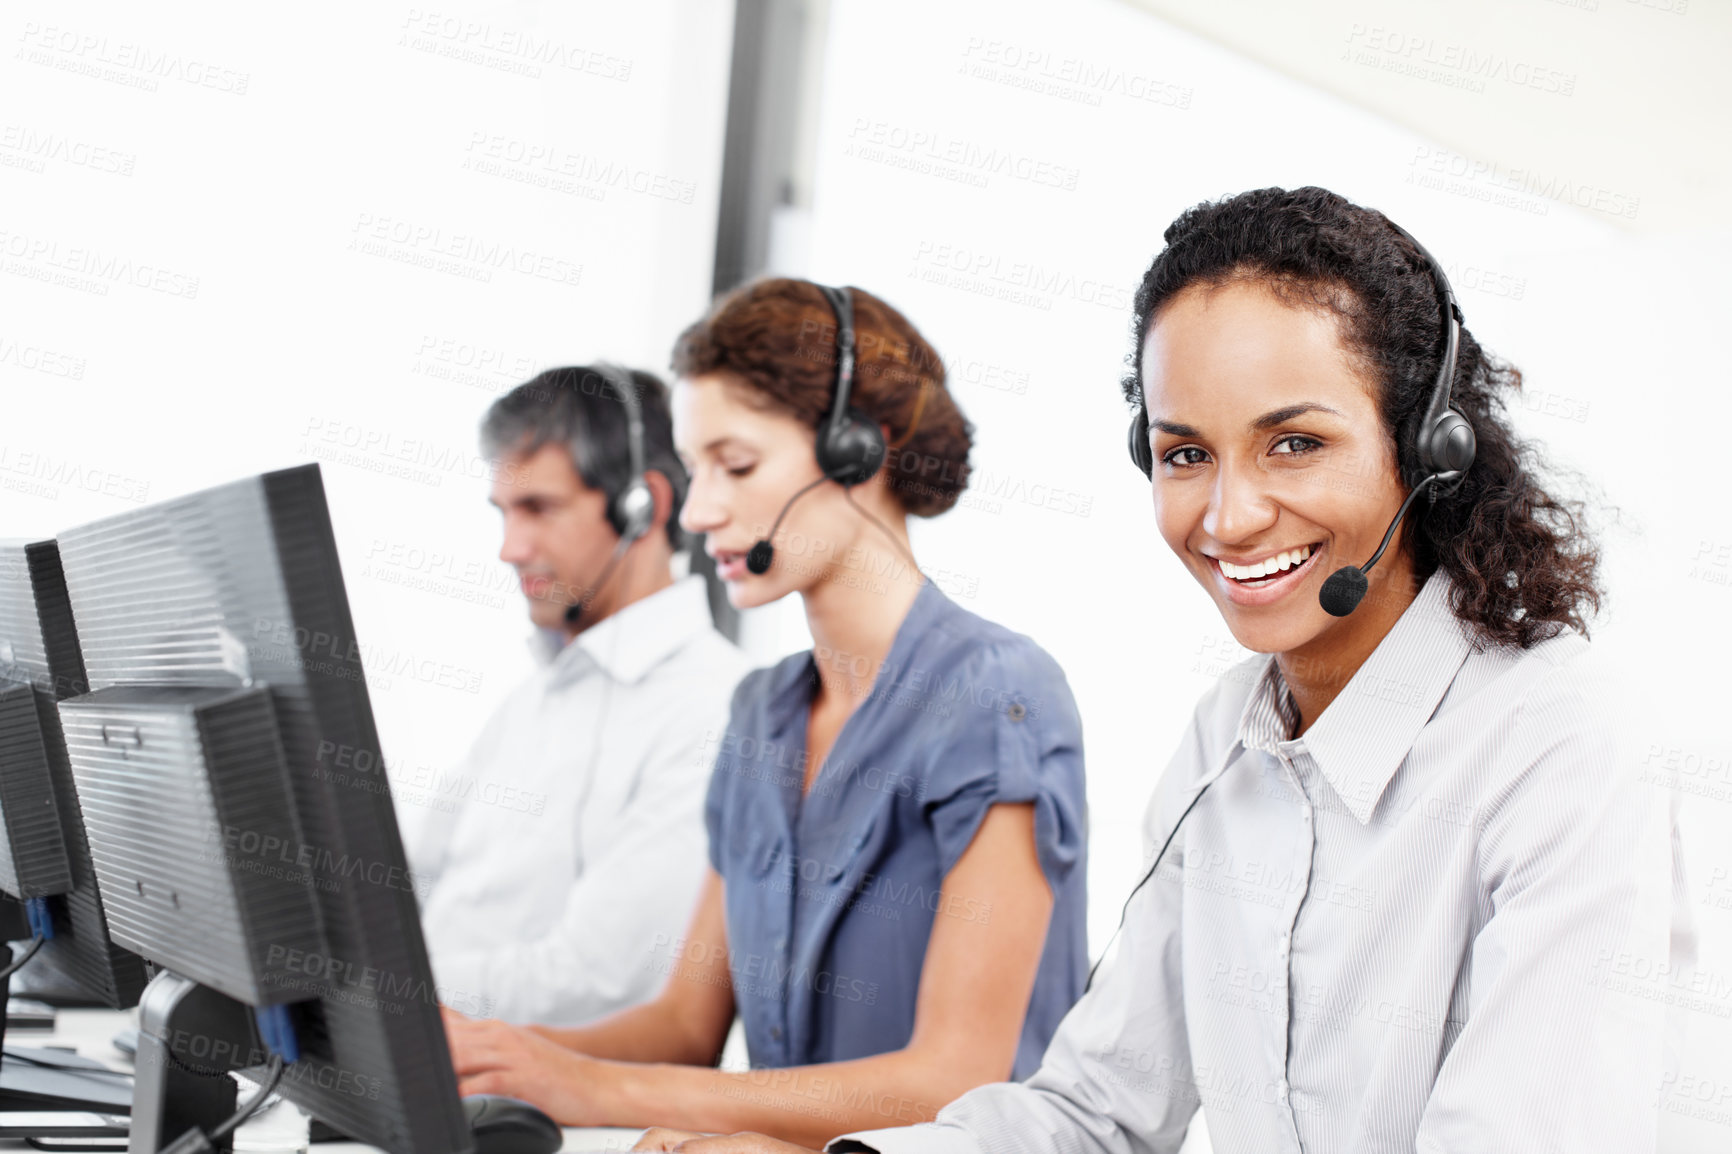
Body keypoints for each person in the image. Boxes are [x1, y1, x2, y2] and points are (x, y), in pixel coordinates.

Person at [632, 188, 1693, 1153]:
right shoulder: (1227, 738)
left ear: (1428, 444)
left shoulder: (1558, 748)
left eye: (1294, 443)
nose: (1226, 517)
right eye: (1186, 453)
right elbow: (1095, 1111)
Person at [443, 279, 1090, 1148]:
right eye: (695, 465)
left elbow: (955, 1081)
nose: (702, 509)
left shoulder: (996, 694)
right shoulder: (762, 713)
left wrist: (590, 1086)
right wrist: (498, 1059)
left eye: (737, 465)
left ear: (862, 448)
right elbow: (684, 1029)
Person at [407, 365, 751, 1026]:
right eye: (503, 513)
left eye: (537, 509)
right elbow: (415, 883)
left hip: (532, 1106)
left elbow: (607, 982)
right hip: (421, 1055)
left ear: (642, 506)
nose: (510, 548)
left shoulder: (717, 710)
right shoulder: (533, 698)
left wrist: (366, 993)